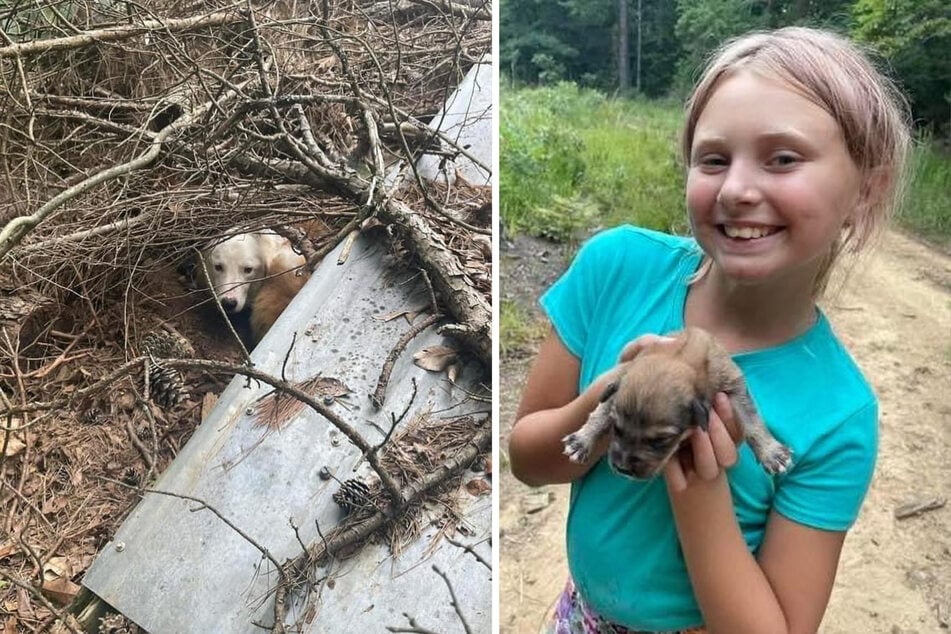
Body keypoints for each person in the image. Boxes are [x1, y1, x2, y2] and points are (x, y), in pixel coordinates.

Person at [508, 27, 911, 634]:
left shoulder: (838, 413)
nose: (737, 189)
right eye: (714, 159)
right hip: (581, 618)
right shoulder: (615, 267)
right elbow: (529, 462)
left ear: (866, 190)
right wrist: (614, 395)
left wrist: (698, 489)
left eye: (783, 159)